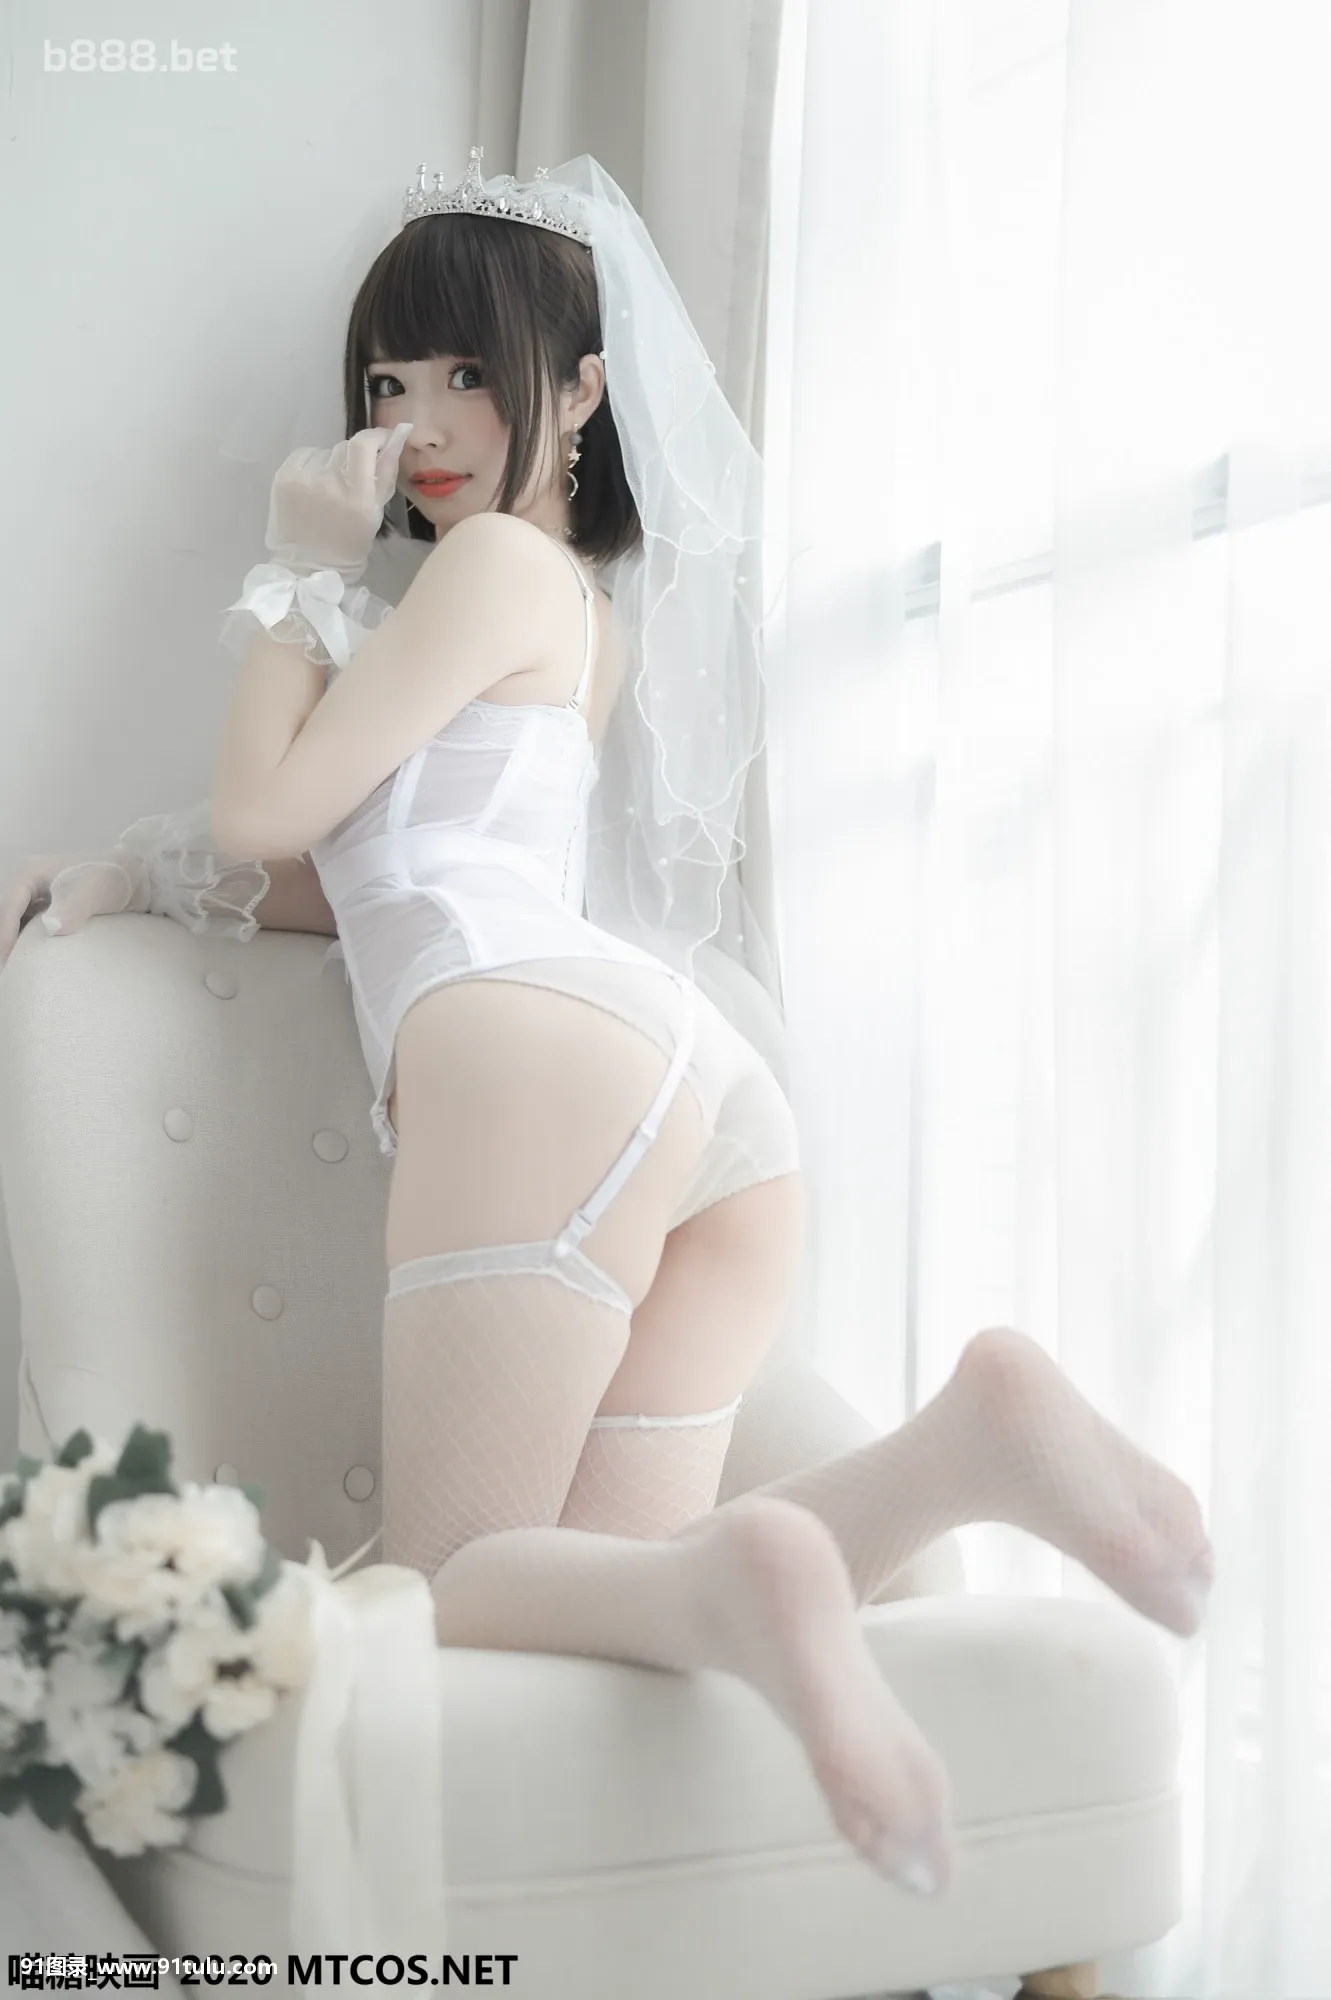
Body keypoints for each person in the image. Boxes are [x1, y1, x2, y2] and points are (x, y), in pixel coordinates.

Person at [0, 151, 1214, 1903]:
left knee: (449, 1581)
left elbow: (269, 813)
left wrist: (295, 569)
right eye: (385, 385)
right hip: (689, 1093)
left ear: (578, 391)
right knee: (604, 1604)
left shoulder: (481, 567)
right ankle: (966, 1444)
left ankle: (786, 1551)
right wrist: (120, 874)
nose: (418, 424)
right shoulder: (572, 613)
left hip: (524, 1056)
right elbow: (368, 873)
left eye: (464, 374)